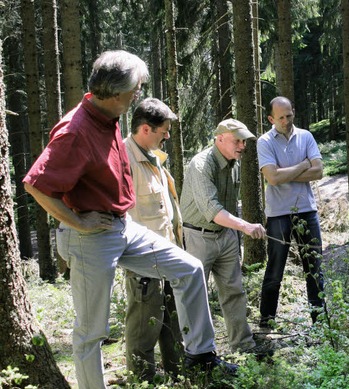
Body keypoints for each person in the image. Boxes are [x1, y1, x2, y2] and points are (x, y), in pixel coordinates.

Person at [23, 50, 237, 389]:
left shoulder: (108, 116)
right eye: (136, 87)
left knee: (190, 269)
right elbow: (36, 185)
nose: (139, 93)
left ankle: (200, 356)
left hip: (124, 227)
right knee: (91, 332)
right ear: (116, 90)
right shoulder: (75, 130)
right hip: (90, 237)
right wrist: (79, 224)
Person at [180, 118, 267, 355]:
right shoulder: (201, 165)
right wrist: (245, 227)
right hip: (198, 236)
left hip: (226, 235)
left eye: (244, 142)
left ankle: (244, 346)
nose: (242, 146)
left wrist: (236, 229)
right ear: (220, 139)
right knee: (195, 295)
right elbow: (212, 210)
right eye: (237, 141)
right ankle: (197, 352)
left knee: (234, 291)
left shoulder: (234, 164)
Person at [123, 98, 183, 380]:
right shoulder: (124, 159)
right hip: (144, 263)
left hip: (168, 255)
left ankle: (178, 376)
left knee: (172, 323)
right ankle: (142, 382)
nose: (168, 136)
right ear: (146, 129)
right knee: (143, 330)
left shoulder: (154, 157)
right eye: (164, 130)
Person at [257, 96, 325, 328]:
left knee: (314, 268)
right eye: (281, 117)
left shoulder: (306, 136)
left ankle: (320, 322)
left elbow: (318, 172)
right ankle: (266, 320)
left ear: (293, 112)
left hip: (307, 210)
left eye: (289, 115)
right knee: (275, 268)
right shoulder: (264, 141)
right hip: (278, 213)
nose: (286, 121)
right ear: (271, 118)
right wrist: (303, 165)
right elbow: (272, 178)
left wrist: (285, 173)